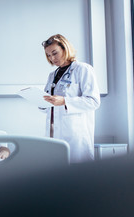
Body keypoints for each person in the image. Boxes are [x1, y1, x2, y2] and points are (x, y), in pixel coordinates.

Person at [41, 34, 100, 163]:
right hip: (54, 132)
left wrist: (65, 101)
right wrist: (41, 102)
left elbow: (93, 101)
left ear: (65, 48)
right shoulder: (53, 75)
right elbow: (50, 102)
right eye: (49, 55)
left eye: (55, 53)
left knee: (78, 175)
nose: (52, 58)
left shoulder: (83, 69)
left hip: (76, 133)